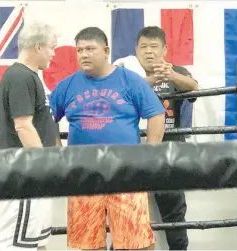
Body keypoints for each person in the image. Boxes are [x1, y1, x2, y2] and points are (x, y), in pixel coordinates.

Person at [49, 27, 165, 250]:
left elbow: (156, 114)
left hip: (126, 172)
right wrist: (58, 153)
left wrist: (150, 155)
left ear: (106, 50)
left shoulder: (130, 80)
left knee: (137, 241)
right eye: (79, 50)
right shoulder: (67, 85)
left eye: (90, 48)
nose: (83, 54)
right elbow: (47, 118)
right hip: (83, 174)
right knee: (88, 243)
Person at [113, 26, 198, 250]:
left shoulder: (176, 70)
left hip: (168, 151)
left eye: (154, 47)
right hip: (133, 150)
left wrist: (171, 75)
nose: (149, 52)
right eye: (144, 47)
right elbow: (117, 98)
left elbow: (194, 88)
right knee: (124, 209)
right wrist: (148, 80)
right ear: (136, 50)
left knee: (174, 212)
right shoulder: (126, 75)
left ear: (164, 49)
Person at [0, 21, 58, 251]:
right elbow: (23, 126)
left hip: (32, 169)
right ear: (38, 47)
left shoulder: (30, 76)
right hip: (24, 170)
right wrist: (42, 163)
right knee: (10, 242)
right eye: (51, 47)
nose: (53, 53)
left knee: (35, 238)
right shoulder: (20, 77)